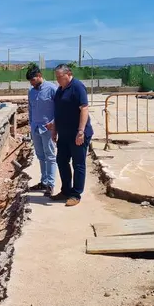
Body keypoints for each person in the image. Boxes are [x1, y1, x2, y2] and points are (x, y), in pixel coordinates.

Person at [49, 64, 93, 207]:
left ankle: (76, 194)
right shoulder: (60, 90)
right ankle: (66, 190)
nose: (58, 80)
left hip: (77, 134)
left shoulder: (77, 87)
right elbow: (58, 112)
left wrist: (81, 132)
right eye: (56, 77)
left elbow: (84, 109)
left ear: (68, 74)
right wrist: (54, 130)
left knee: (78, 164)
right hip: (64, 134)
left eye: (60, 77)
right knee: (61, 161)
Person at [26, 66, 57, 197]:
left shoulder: (52, 89)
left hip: (48, 128)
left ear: (39, 76)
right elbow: (30, 109)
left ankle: (50, 184)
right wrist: (31, 123)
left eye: (33, 80)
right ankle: (43, 182)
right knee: (40, 156)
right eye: (30, 81)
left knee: (50, 155)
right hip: (35, 128)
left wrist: (55, 123)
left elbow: (60, 108)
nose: (32, 83)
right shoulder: (31, 92)